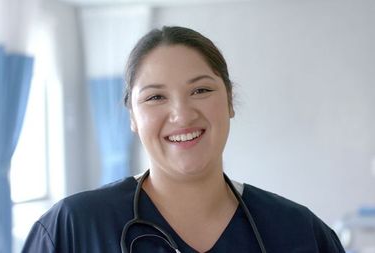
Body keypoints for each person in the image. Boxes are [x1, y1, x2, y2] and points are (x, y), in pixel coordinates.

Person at [22, 26, 345, 253]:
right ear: (132, 116)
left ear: (230, 101)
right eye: (155, 97)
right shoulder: (74, 229)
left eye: (200, 90)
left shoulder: (299, 232)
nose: (181, 114)